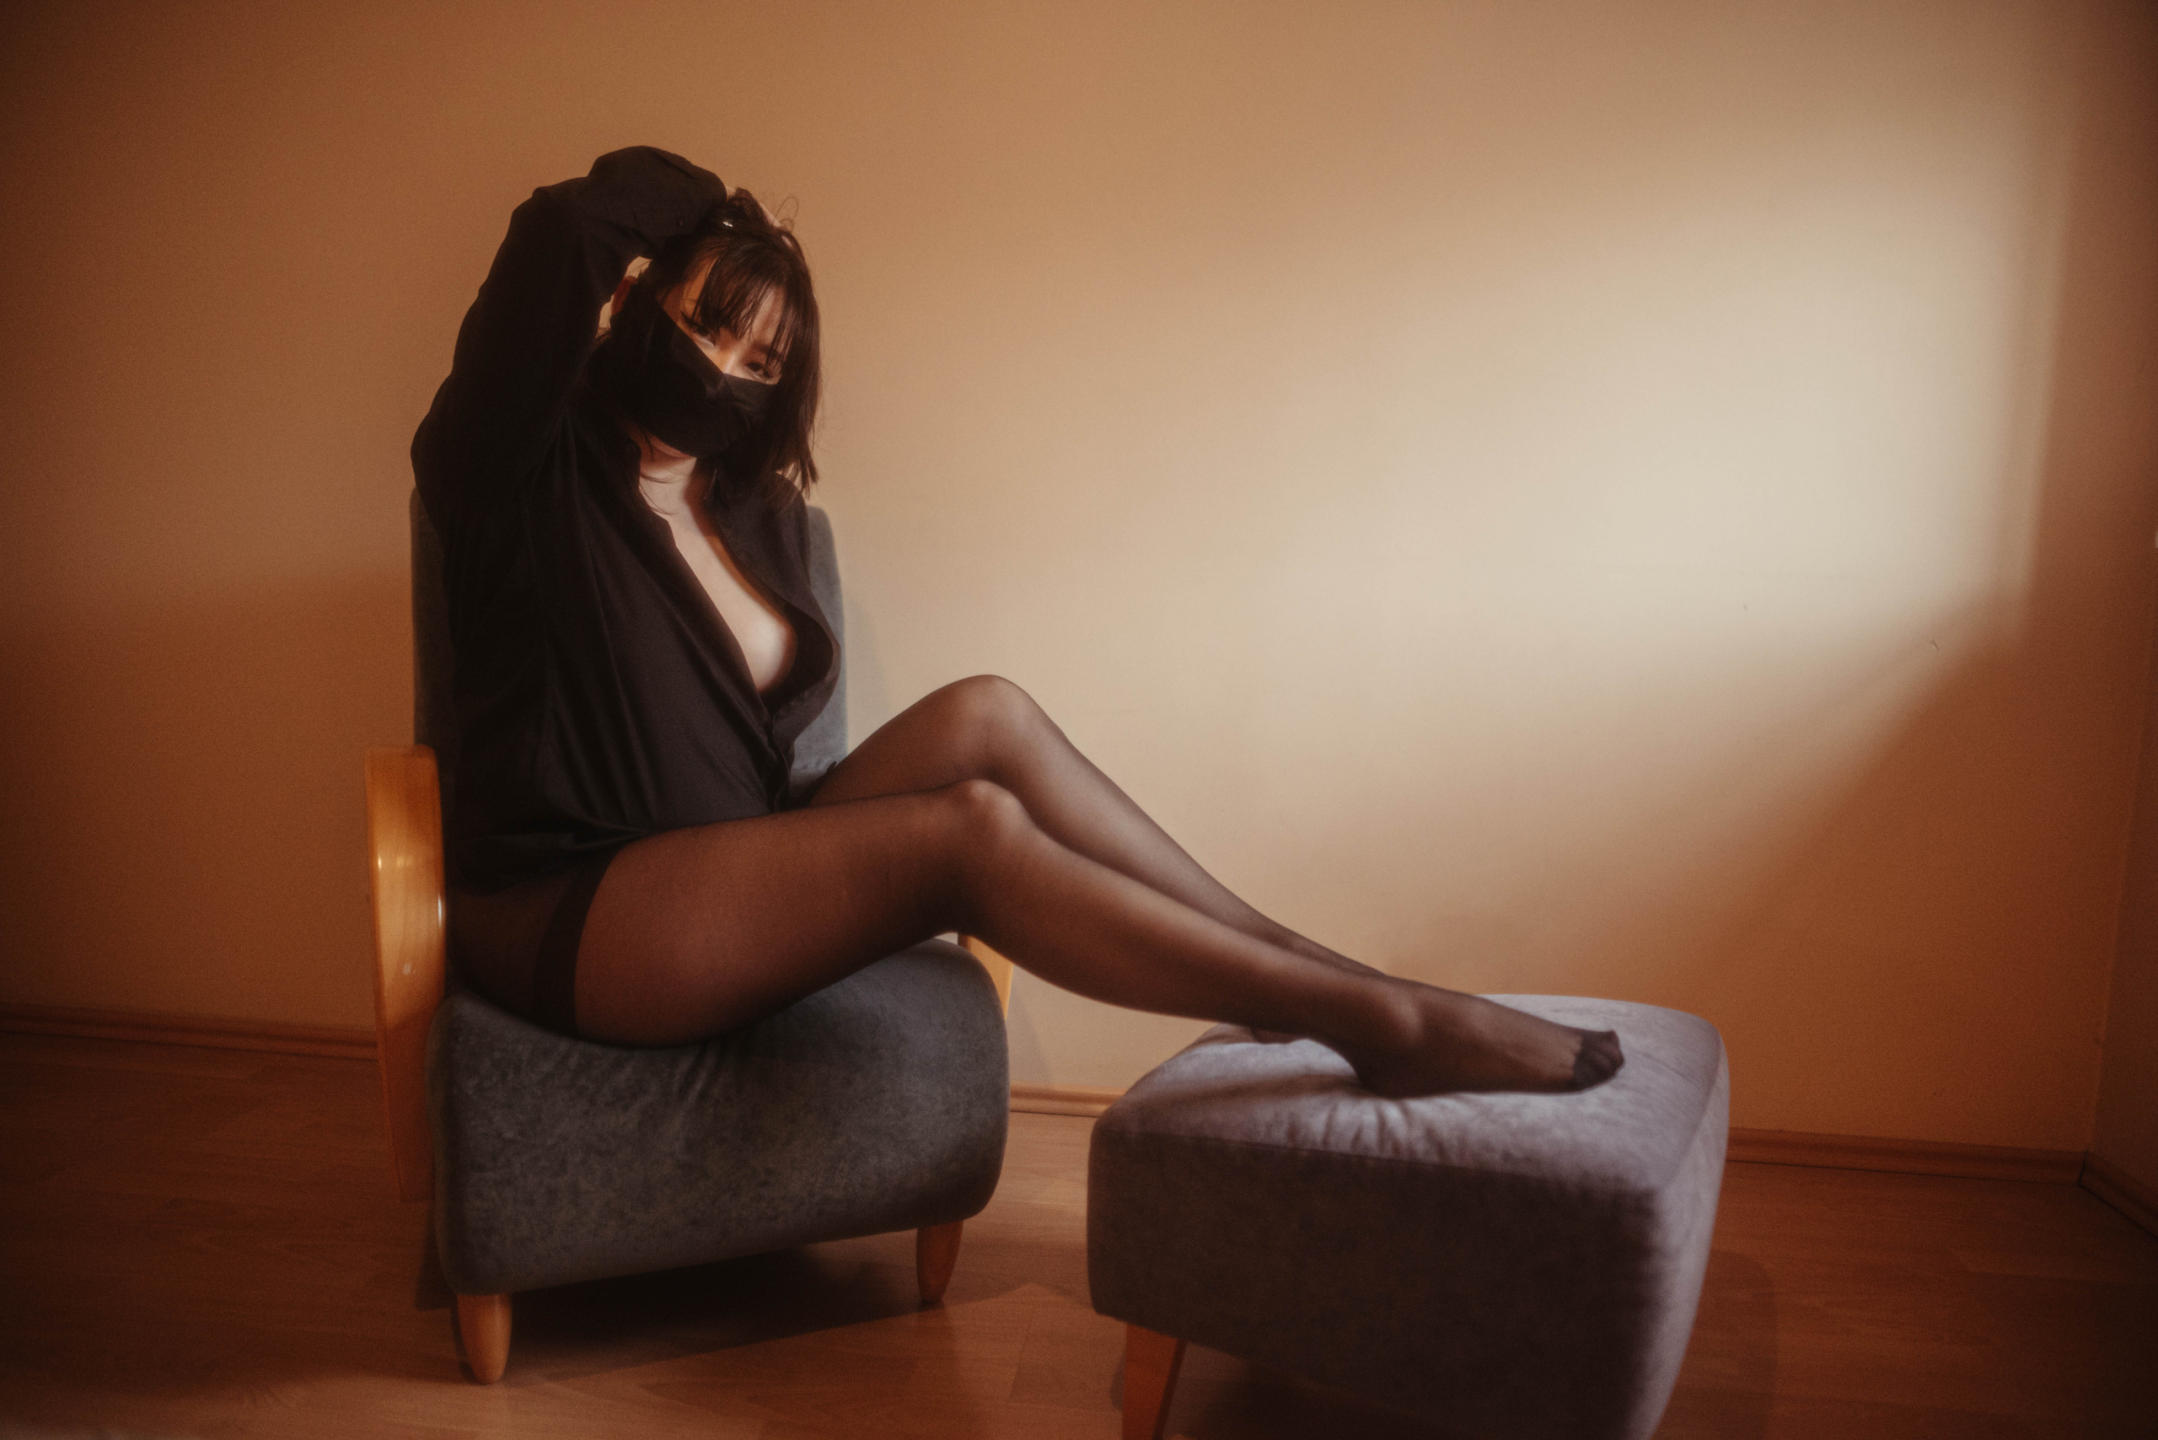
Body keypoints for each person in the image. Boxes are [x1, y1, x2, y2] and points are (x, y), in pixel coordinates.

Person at [412, 145, 1623, 1097]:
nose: (723, 369)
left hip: (742, 861)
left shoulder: (753, 514)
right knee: (970, 834)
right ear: (633, 303)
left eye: (759, 359)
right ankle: (1379, 1020)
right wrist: (715, 209)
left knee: (987, 713)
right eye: (704, 323)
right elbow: (560, 229)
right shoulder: (517, 470)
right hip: (584, 907)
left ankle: (1311, 971)